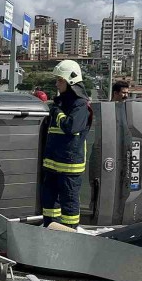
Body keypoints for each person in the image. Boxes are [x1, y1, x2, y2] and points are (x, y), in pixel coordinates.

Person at [41, 60, 92, 229]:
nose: (57, 83)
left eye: (60, 80)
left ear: (71, 81)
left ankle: (70, 234)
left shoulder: (80, 105)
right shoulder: (60, 103)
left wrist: (57, 113)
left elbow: (71, 127)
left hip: (69, 167)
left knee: (69, 204)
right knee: (49, 202)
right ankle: (50, 228)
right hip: (53, 163)